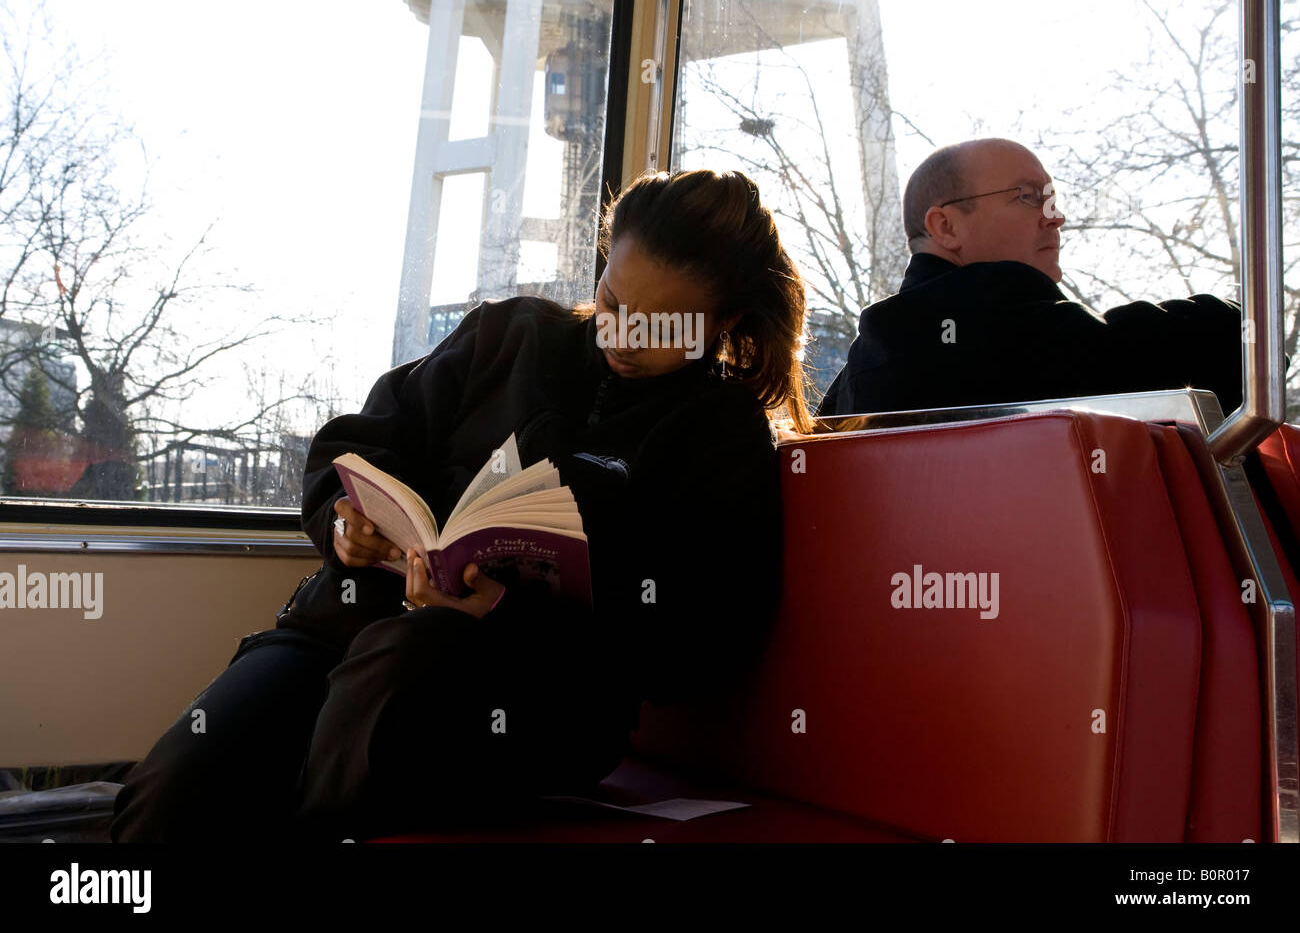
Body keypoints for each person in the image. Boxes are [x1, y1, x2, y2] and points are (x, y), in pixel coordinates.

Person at [111, 168, 813, 842]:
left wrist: (511, 612)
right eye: (612, 300)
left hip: (529, 695)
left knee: (386, 692)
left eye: (659, 326)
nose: (621, 337)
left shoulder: (719, 437)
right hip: (340, 624)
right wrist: (344, 521)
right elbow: (358, 444)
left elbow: (703, 644)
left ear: (723, 320)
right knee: (175, 785)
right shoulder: (510, 335)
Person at [817, 138, 1244, 417]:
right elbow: (1234, 342)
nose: (1057, 217)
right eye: (1029, 197)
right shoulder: (1015, 331)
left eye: (1054, 199)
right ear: (946, 227)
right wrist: (1239, 318)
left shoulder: (853, 383)